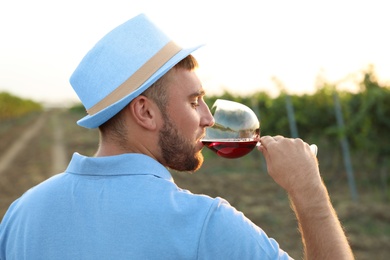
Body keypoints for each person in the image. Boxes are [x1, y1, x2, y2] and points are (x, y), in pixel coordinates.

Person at [0, 14, 354, 259]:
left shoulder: (21, 215)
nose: (208, 118)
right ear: (146, 112)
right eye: (194, 101)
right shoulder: (205, 225)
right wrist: (310, 191)